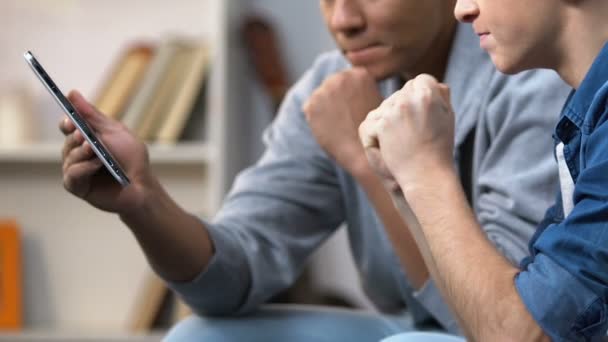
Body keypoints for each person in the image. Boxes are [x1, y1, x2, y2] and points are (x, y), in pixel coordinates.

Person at [58, 0, 569, 341]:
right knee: (195, 335)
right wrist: (145, 203)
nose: (342, 19)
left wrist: (368, 162)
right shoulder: (332, 85)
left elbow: (500, 319)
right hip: (403, 326)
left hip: (483, 330)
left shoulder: (526, 72)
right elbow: (229, 278)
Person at [359, 0, 608, 341]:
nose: (462, 9)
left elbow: (524, 333)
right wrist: (403, 183)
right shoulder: (583, 117)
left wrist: (427, 172)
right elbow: (487, 319)